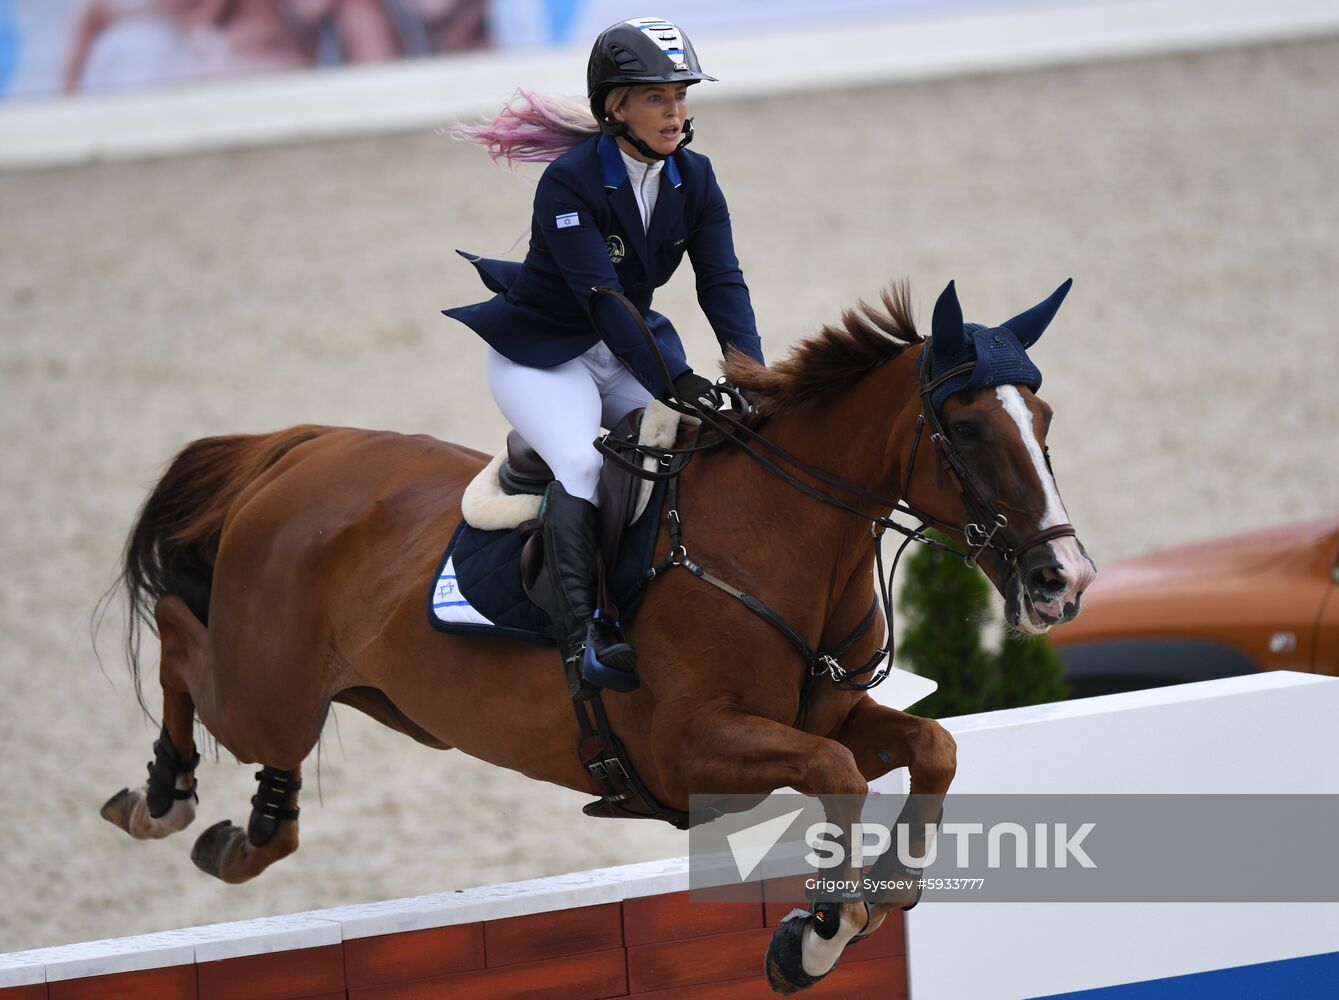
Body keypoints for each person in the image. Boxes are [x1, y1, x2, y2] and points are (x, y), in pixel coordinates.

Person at [446, 16, 764, 692]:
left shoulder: (695, 178)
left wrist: (750, 372)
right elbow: (602, 299)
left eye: (680, 96)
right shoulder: (569, 182)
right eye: (655, 98)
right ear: (616, 108)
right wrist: (677, 378)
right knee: (582, 464)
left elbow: (722, 281)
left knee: (705, 443)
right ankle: (587, 634)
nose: (674, 113)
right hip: (543, 356)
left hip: (624, 348)